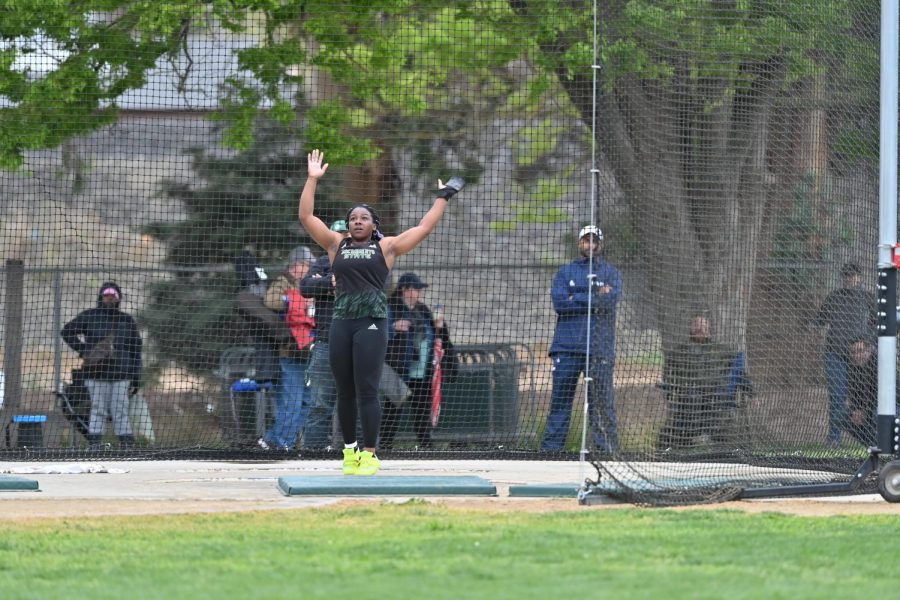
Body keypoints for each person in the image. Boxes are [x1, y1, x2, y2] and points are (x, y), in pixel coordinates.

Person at [298, 148, 463, 475]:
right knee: (344, 391)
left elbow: (423, 228)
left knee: (367, 389)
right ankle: (349, 452)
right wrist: (312, 179)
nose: (357, 221)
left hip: (371, 324)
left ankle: (369, 453)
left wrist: (442, 198)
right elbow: (306, 217)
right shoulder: (335, 245)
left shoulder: (386, 247)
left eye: (364, 218)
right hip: (341, 325)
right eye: (353, 218)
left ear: (374, 225)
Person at [540, 225, 621, 453]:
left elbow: (610, 301)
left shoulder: (611, 273)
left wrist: (577, 296)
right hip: (566, 349)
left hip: (599, 350)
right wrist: (595, 295)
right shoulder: (565, 272)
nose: (591, 245)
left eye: (595, 241)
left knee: (602, 405)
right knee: (560, 403)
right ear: (580, 243)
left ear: (601, 244)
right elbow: (560, 303)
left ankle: (607, 452)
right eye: (586, 241)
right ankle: (551, 451)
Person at [61, 282, 142, 449]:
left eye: (114, 295)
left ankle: (127, 445)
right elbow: (67, 331)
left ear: (119, 298)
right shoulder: (89, 316)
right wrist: (84, 350)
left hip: (121, 374)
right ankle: (95, 445)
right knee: (98, 409)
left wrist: (136, 376)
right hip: (96, 373)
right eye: (106, 294)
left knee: (120, 410)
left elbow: (136, 350)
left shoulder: (126, 321)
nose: (110, 297)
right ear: (101, 296)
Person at [656, 314, 753, 450]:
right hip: (690, 393)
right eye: (696, 325)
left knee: (718, 401)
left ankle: (715, 440)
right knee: (692, 399)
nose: (699, 328)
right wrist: (669, 389)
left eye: (703, 325)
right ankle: (690, 439)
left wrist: (750, 390)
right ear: (690, 328)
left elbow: (739, 370)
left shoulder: (722, 350)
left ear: (708, 329)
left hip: (716, 394)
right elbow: (669, 373)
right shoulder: (679, 352)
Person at [380, 272, 453, 450]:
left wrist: (440, 328)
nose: (417, 293)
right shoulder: (391, 308)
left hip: (422, 372)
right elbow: (377, 331)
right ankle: (385, 446)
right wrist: (393, 327)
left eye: (418, 290)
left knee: (421, 413)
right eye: (414, 289)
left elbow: (436, 337)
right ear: (404, 290)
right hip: (398, 370)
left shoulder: (423, 310)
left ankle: (427, 447)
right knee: (392, 412)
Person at [811, 263, 876, 447]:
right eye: (845, 275)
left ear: (859, 277)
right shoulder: (834, 297)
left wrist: (868, 344)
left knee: (864, 396)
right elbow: (820, 319)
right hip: (835, 355)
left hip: (859, 359)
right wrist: (813, 327)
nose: (848, 278)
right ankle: (834, 438)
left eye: (852, 275)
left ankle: (869, 437)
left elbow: (877, 324)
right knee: (837, 396)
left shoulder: (867, 298)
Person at [259, 245, 316, 451]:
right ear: (296, 266)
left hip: (309, 352)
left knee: (307, 403)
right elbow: (271, 301)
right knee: (292, 402)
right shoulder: (283, 282)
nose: (309, 269)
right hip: (290, 351)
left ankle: (273, 439)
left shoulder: (311, 284)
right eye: (306, 265)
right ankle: (284, 444)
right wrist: (292, 300)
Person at [299, 220, 350, 449]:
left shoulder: (365, 261)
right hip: (325, 343)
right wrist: (329, 283)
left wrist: (331, 284)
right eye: (337, 234)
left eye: (345, 234)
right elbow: (306, 287)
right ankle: (314, 455)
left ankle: (358, 455)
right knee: (320, 404)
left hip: (356, 344)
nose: (340, 238)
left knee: (357, 404)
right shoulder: (321, 262)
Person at [232, 251, 288, 446]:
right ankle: (273, 439)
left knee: (287, 401)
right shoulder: (246, 297)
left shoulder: (275, 287)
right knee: (281, 400)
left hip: (284, 357)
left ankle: (276, 439)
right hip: (272, 361)